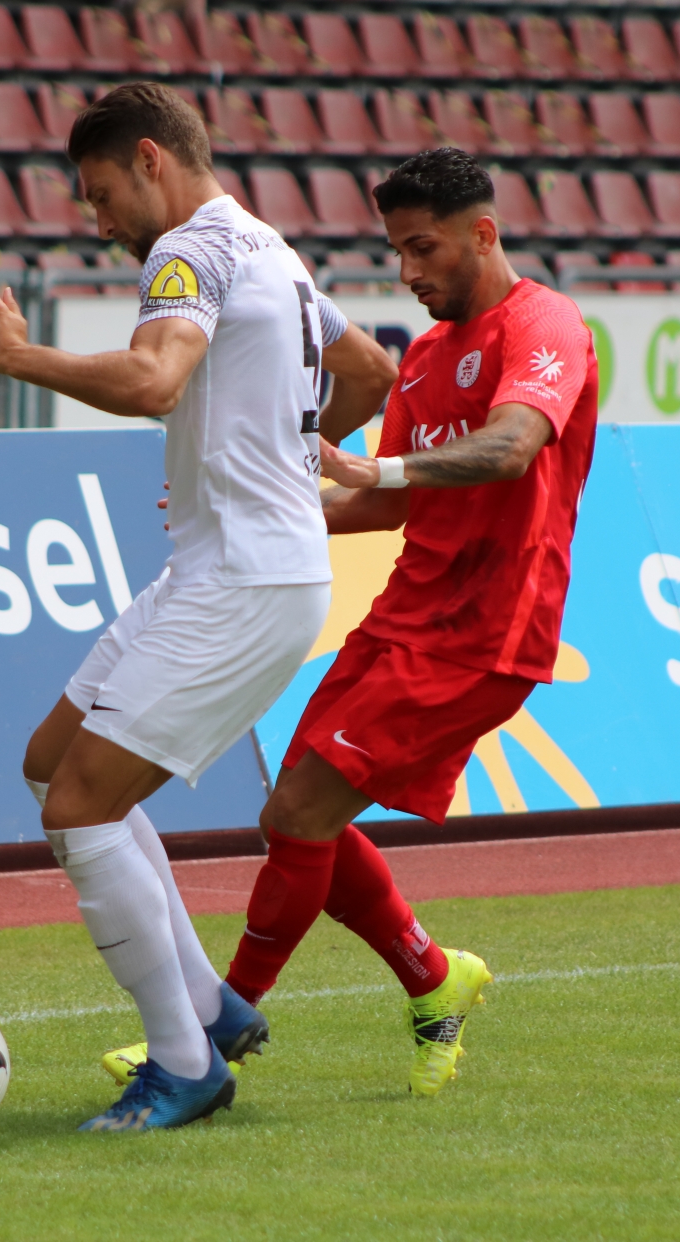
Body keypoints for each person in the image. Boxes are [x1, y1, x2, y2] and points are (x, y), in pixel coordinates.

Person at [0, 82, 398, 1132]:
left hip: (245, 579)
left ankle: (182, 1062)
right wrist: (287, 461)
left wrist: (22, 358)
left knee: (80, 805)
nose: (99, 220)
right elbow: (372, 370)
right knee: (49, 763)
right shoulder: (268, 246)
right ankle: (208, 1003)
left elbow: (156, 380)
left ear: (150, 159)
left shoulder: (188, 252)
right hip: (226, 565)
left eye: (101, 193)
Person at [173, 147, 601, 1099]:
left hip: (487, 633)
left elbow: (512, 445)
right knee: (297, 820)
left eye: (423, 248)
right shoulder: (426, 363)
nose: (407, 271)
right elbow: (383, 503)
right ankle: (433, 978)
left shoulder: (545, 324)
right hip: (404, 618)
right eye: (398, 251)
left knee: (299, 815)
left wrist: (384, 468)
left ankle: (210, 1034)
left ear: (481, 235)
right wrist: (254, 509)